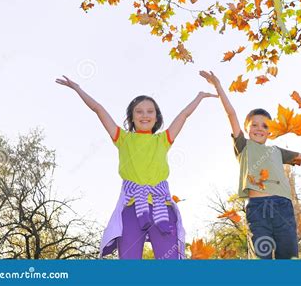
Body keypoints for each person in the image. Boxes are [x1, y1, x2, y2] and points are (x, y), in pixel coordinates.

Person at [56, 75, 217, 259]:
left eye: (150, 111)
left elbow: (184, 115)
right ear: (131, 117)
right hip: (132, 207)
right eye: (139, 111)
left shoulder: (163, 140)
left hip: (161, 206)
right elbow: (98, 109)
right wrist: (77, 88)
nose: (145, 115)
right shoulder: (123, 139)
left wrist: (199, 97)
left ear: (157, 117)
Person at [200, 70, 301, 259]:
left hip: (283, 207)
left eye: (265, 126)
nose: (259, 128)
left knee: (288, 254)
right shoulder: (243, 146)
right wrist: (218, 85)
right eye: (254, 125)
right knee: (261, 255)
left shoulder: (276, 151)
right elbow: (231, 114)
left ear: (271, 131)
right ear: (247, 129)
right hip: (258, 208)